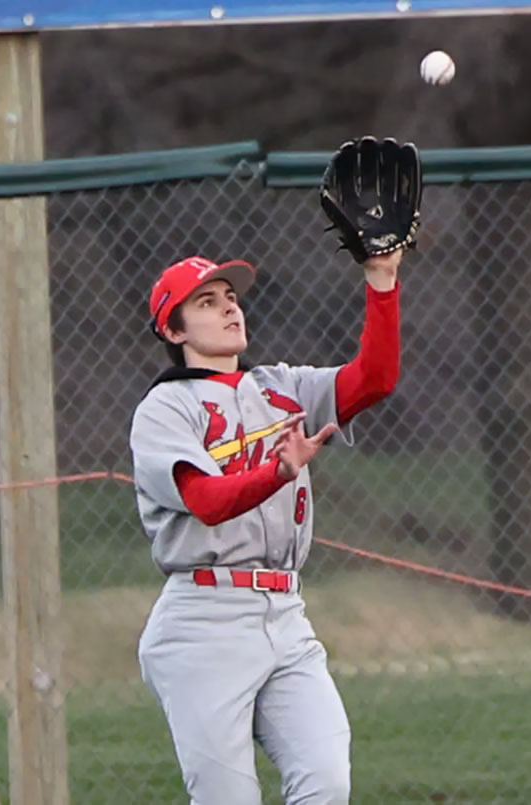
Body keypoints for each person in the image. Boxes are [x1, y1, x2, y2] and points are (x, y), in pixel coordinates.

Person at [128, 245, 406, 805]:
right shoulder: (164, 410)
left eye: (231, 298)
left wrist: (381, 280)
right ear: (174, 330)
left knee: (326, 781)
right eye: (206, 302)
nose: (230, 309)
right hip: (203, 622)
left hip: (285, 614)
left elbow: (374, 378)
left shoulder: (282, 388)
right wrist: (279, 469)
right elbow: (205, 500)